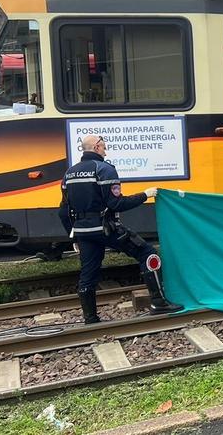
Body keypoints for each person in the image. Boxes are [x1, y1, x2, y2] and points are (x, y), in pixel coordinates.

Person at [59, 135, 182, 323]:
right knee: (148, 254)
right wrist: (145, 195)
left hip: (83, 232)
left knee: (88, 273)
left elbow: (63, 211)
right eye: (104, 146)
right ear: (97, 146)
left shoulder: (69, 173)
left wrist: (74, 236)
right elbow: (116, 204)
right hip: (105, 229)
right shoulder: (104, 169)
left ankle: (90, 318)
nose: (106, 150)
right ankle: (159, 302)